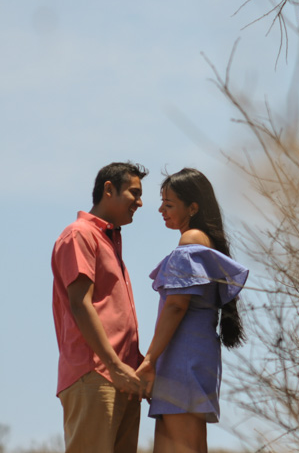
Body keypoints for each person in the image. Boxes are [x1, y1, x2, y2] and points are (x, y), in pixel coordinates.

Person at [136, 168, 249, 453]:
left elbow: (176, 305)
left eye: (169, 204)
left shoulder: (191, 240)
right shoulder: (200, 241)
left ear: (193, 207)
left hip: (183, 358)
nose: (161, 209)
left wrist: (149, 360)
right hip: (189, 356)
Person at [51, 161, 149, 453]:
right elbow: (80, 304)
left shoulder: (109, 240)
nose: (140, 203)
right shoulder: (79, 234)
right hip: (96, 373)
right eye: (134, 192)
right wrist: (114, 365)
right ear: (109, 189)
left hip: (122, 378)